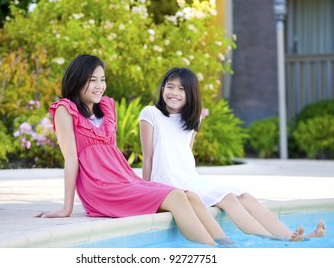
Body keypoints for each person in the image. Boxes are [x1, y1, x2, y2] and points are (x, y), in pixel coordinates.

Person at [35, 54, 236, 247]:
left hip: (124, 178)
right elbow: (71, 159)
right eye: (92, 80)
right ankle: (212, 252)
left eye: (102, 80)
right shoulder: (65, 109)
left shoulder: (106, 106)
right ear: (77, 80)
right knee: (176, 197)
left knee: (189, 195)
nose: (100, 86)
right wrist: (66, 207)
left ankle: (228, 246)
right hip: (101, 187)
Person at [139, 67, 325, 242]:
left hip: (190, 178)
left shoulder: (193, 119)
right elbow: (147, 158)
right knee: (228, 198)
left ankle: (293, 237)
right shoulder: (151, 114)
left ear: (191, 93)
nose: (174, 93)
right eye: (170, 87)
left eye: (181, 89)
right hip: (169, 181)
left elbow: (186, 154)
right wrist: (147, 195)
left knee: (245, 196)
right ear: (163, 88)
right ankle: (278, 240)